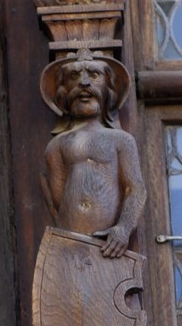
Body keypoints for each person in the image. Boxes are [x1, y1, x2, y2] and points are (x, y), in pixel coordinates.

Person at [42, 55, 145, 259]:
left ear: (108, 90)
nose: (84, 82)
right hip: (70, 244)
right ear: (63, 92)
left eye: (94, 75)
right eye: (74, 76)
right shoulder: (57, 145)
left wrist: (123, 228)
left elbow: (135, 189)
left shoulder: (121, 140)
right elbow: (57, 199)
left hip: (108, 245)